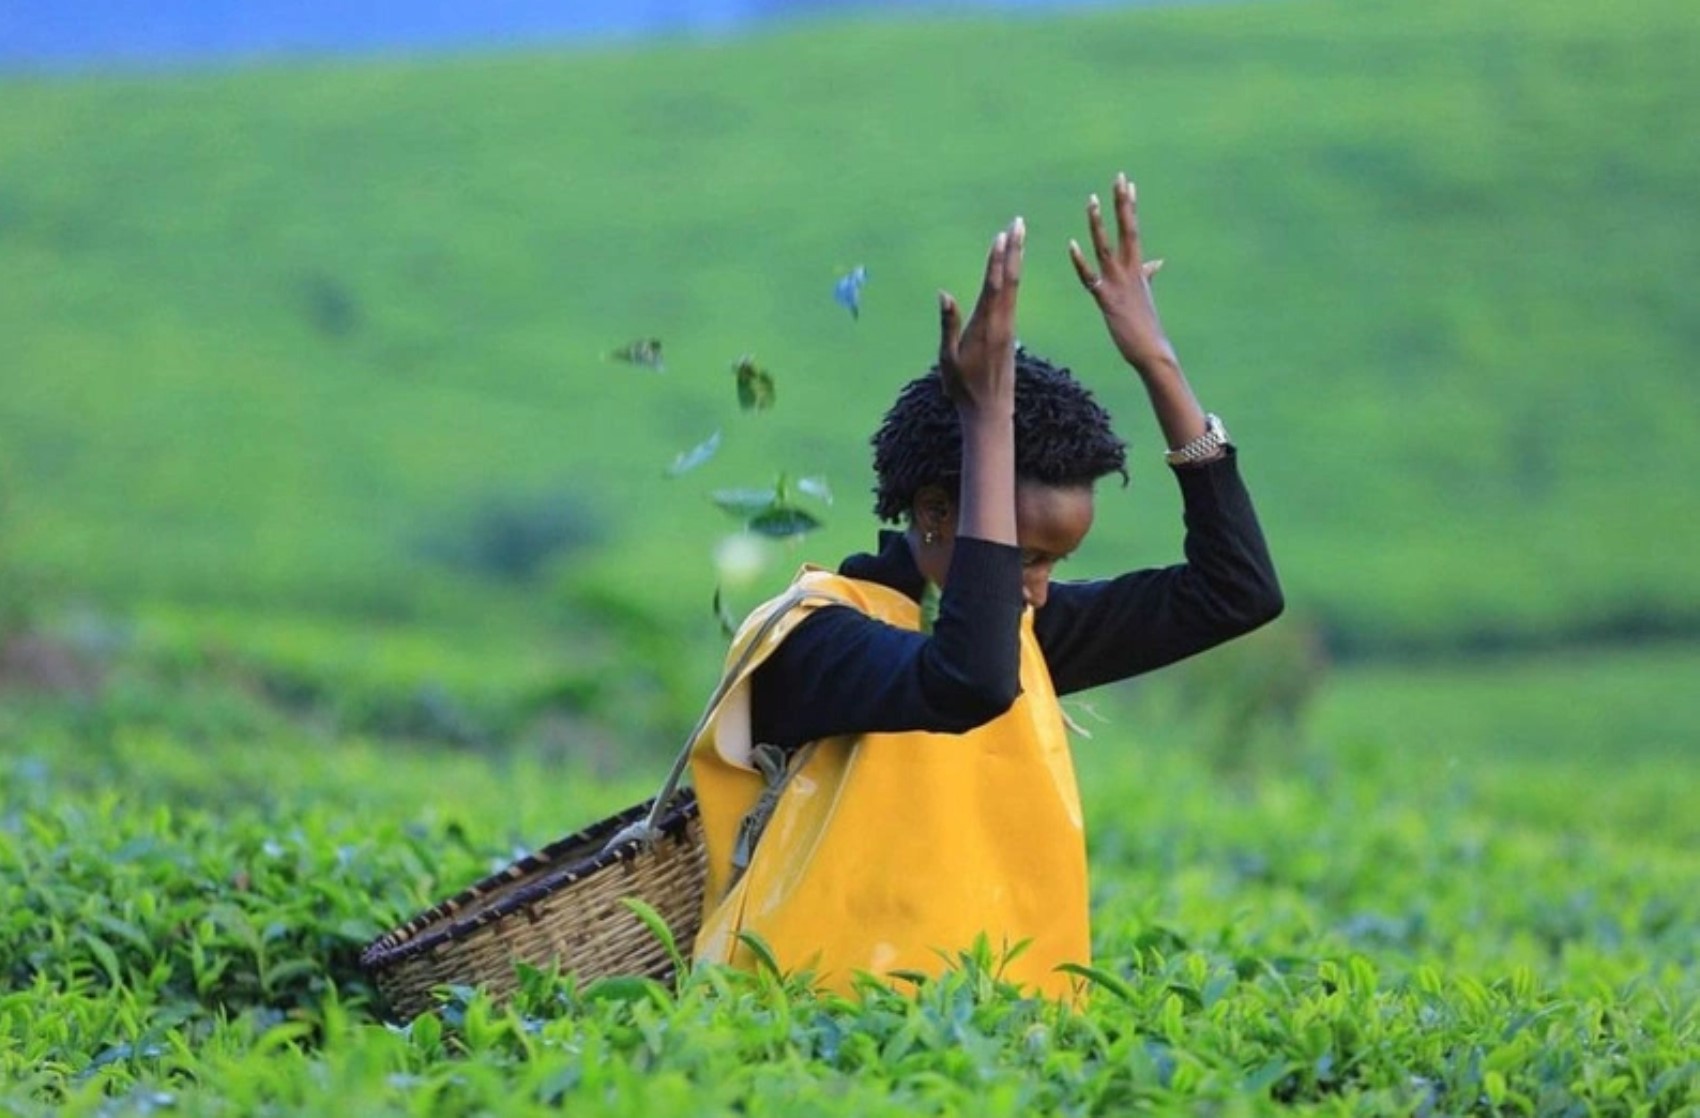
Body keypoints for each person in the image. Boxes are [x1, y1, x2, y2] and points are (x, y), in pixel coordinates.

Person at [687, 173, 1283, 1000]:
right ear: (935, 512)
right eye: (1022, 556)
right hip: (805, 1036)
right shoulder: (816, 637)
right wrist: (984, 421)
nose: (1032, 589)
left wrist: (1159, 364)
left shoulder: (1020, 636)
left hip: (977, 1041)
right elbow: (964, 682)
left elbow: (1237, 592)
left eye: (1050, 564)